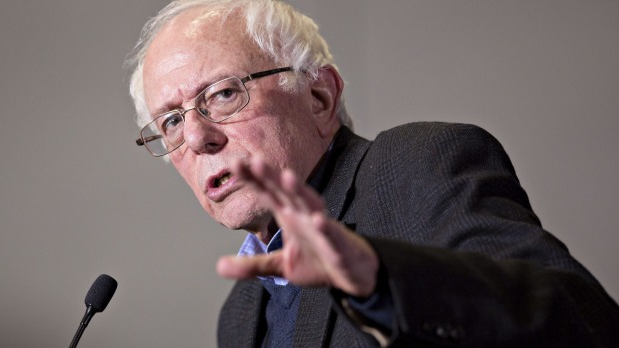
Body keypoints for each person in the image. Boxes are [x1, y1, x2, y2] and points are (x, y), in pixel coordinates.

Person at [127, 0, 619, 346]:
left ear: (319, 97)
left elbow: (583, 323)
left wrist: (380, 281)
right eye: (171, 121)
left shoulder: (413, 166)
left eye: (223, 94)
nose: (195, 138)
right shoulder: (239, 315)